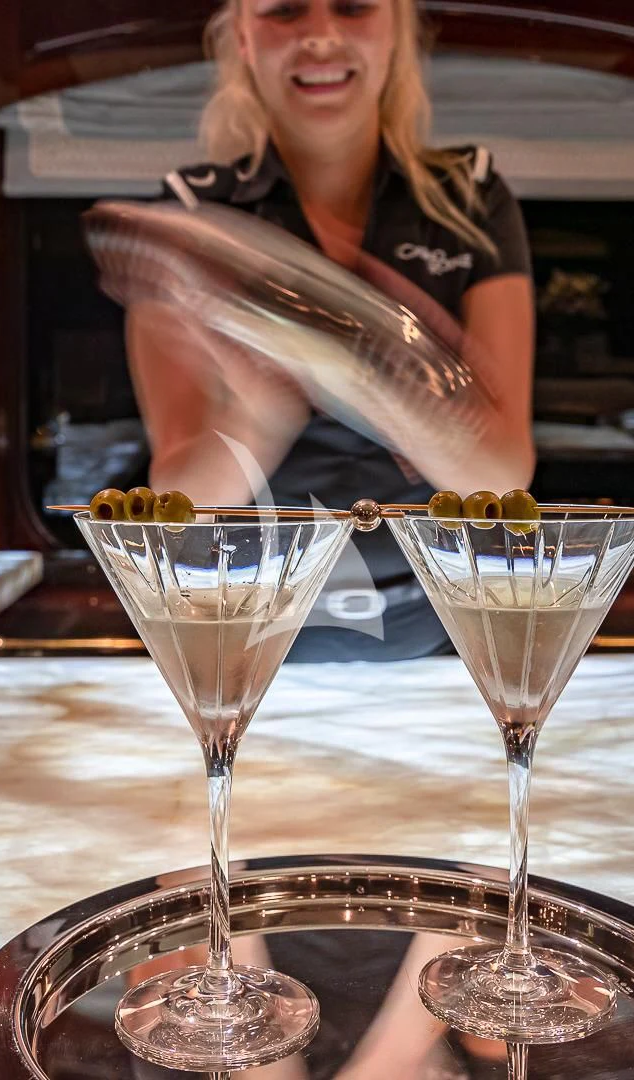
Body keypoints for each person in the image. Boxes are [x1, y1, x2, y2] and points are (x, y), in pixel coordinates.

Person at [124, 0, 535, 661]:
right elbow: (182, 503)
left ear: (397, 29)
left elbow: (503, 476)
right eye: (283, 12)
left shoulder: (473, 197)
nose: (320, 36)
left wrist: (369, 361)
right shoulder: (191, 216)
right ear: (243, 38)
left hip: (439, 630)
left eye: (354, 8)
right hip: (243, 626)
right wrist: (264, 409)